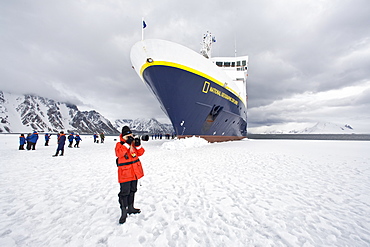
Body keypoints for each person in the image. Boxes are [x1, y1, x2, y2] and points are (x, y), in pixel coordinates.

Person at [115, 126, 145, 224]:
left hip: (134, 172)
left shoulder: (132, 144)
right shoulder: (120, 144)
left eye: (131, 136)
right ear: (123, 136)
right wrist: (127, 143)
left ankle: (131, 207)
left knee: (133, 190)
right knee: (124, 193)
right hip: (125, 173)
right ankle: (124, 211)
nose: (130, 138)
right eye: (128, 136)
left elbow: (140, 153)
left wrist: (138, 145)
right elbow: (119, 154)